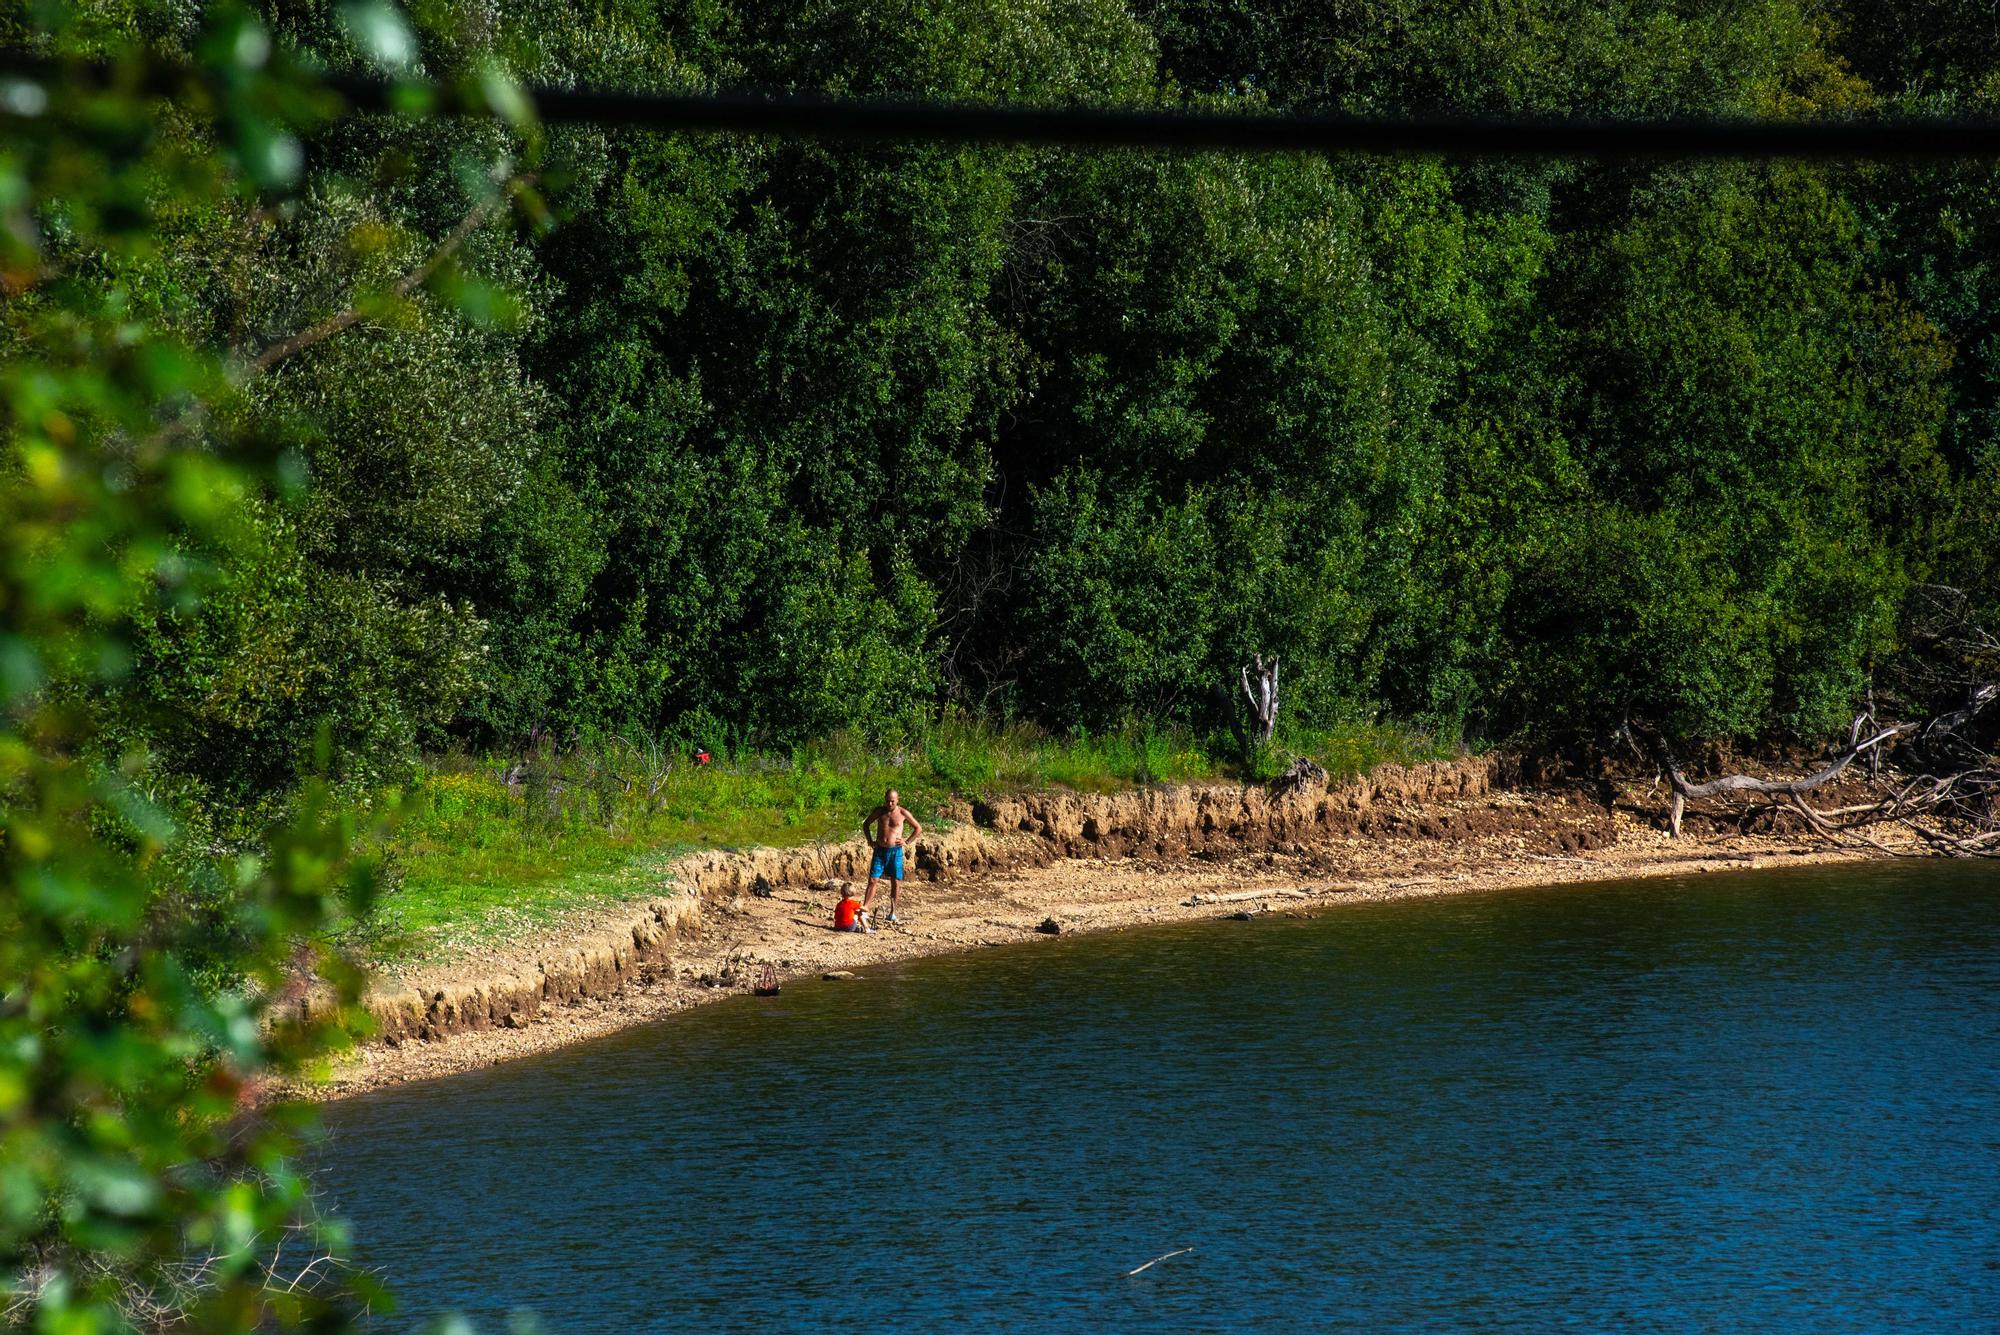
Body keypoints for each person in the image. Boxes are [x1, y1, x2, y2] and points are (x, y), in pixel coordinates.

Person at [861, 788, 922, 925]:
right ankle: (865, 910)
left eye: (892, 801)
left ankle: (892, 912)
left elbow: (918, 828)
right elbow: (866, 824)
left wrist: (907, 841)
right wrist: (870, 840)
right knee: (872, 880)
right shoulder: (880, 811)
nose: (889, 804)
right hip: (880, 850)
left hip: (895, 851)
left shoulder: (902, 813)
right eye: (887, 801)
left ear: (897, 800)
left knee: (896, 881)